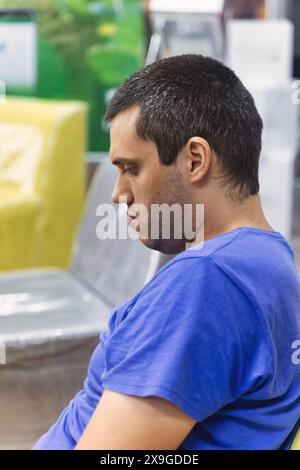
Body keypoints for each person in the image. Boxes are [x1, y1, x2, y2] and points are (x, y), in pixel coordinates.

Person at [32, 54, 300, 450]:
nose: (118, 194)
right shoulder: (273, 259)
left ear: (195, 160)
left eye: (131, 168)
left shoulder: (207, 281)